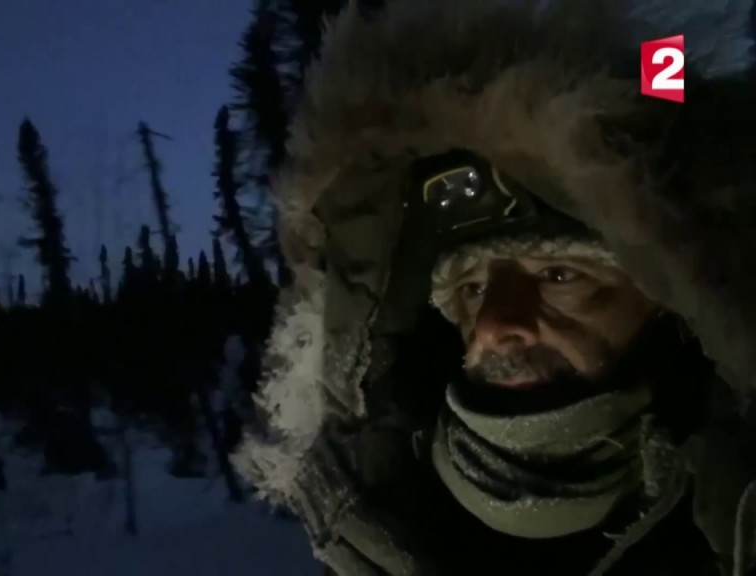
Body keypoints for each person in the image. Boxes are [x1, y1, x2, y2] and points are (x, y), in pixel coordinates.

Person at [231, 1, 756, 575]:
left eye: (559, 275)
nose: (494, 326)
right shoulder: (370, 528)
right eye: (474, 289)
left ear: (671, 296)